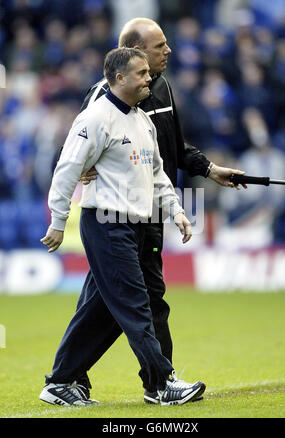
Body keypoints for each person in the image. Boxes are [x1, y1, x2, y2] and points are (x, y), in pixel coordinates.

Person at [79, 18, 247, 404]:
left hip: (152, 212)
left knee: (115, 301)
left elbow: (171, 149)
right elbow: (76, 146)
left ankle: (67, 378)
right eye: (160, 47)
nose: (168, 51)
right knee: (142, 301)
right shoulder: (102, 97)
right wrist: (78, 175)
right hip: (114, 216)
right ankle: (160, 383)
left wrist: (209, 169)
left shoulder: (163, 87)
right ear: (135, 52)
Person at [39, 47, 206, 407]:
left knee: (104, 310)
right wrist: (57, 220)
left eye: (149, 72)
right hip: (107, 225)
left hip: (139, 226)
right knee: (135, 304)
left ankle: (61, 381)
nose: (150, 79)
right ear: (119, 79)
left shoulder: (142, 119)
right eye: (142, 73)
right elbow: (68, 168)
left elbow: (157, 171)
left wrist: (175, 210)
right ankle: (162, 383)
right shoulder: (94, 118)